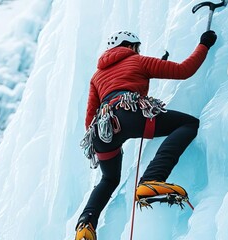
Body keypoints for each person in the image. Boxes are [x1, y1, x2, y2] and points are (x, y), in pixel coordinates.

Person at [75, 30, 217, 240]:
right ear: (131, 46)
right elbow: (184, 70)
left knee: (109, 178)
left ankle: (85, 225)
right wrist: (204, 44)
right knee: (188, 124)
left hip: (101, 131)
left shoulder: (97, 76)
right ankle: (151, 179)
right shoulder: (138, 61)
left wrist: (112, 136)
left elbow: (89, 119)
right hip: (130, 113)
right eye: (137, 48)